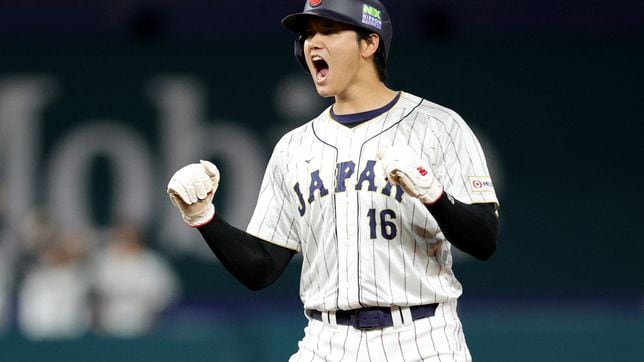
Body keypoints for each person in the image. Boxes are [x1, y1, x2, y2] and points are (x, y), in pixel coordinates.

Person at [167, 0, 499, 360]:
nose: (312, 43)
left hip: (422, 336)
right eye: (308, 34)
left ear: (369, 44)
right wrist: (203, 218)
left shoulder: (438, 126)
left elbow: (483, 240)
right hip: (326, 341)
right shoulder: (294, 147)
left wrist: (434, 194)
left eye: (329, 31)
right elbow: (261, 269)